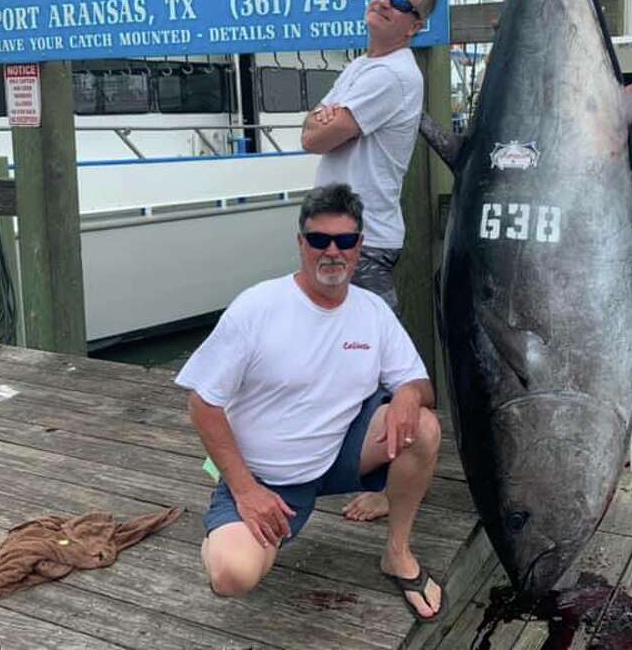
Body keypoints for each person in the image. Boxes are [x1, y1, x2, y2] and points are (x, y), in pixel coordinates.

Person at [174, 183, 445, 621]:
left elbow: (419, 382)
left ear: (360, 246)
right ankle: (224, 527)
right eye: (319, 240)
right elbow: (202, 402)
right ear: (301, 243)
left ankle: (397, 553)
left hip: (338, 456)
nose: (332, 251)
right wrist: (245, 489)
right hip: (268, 480)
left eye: (345, 240)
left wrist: (409, 394)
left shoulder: (373, 311)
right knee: (232, 576)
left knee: (425, 427)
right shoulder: (258, 307)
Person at [300, 0, 438, 523]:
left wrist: (323, 123)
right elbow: (312, 129)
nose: (385, 4)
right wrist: (321, 123)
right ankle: (335, 460)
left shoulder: (393, 76)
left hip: (367, 242)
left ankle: (391, 484)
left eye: (400, 5)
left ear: (414, 26)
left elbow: (320, 133)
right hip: (332, 232)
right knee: (327, 353)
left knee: (383, 366)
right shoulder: (361, 65)